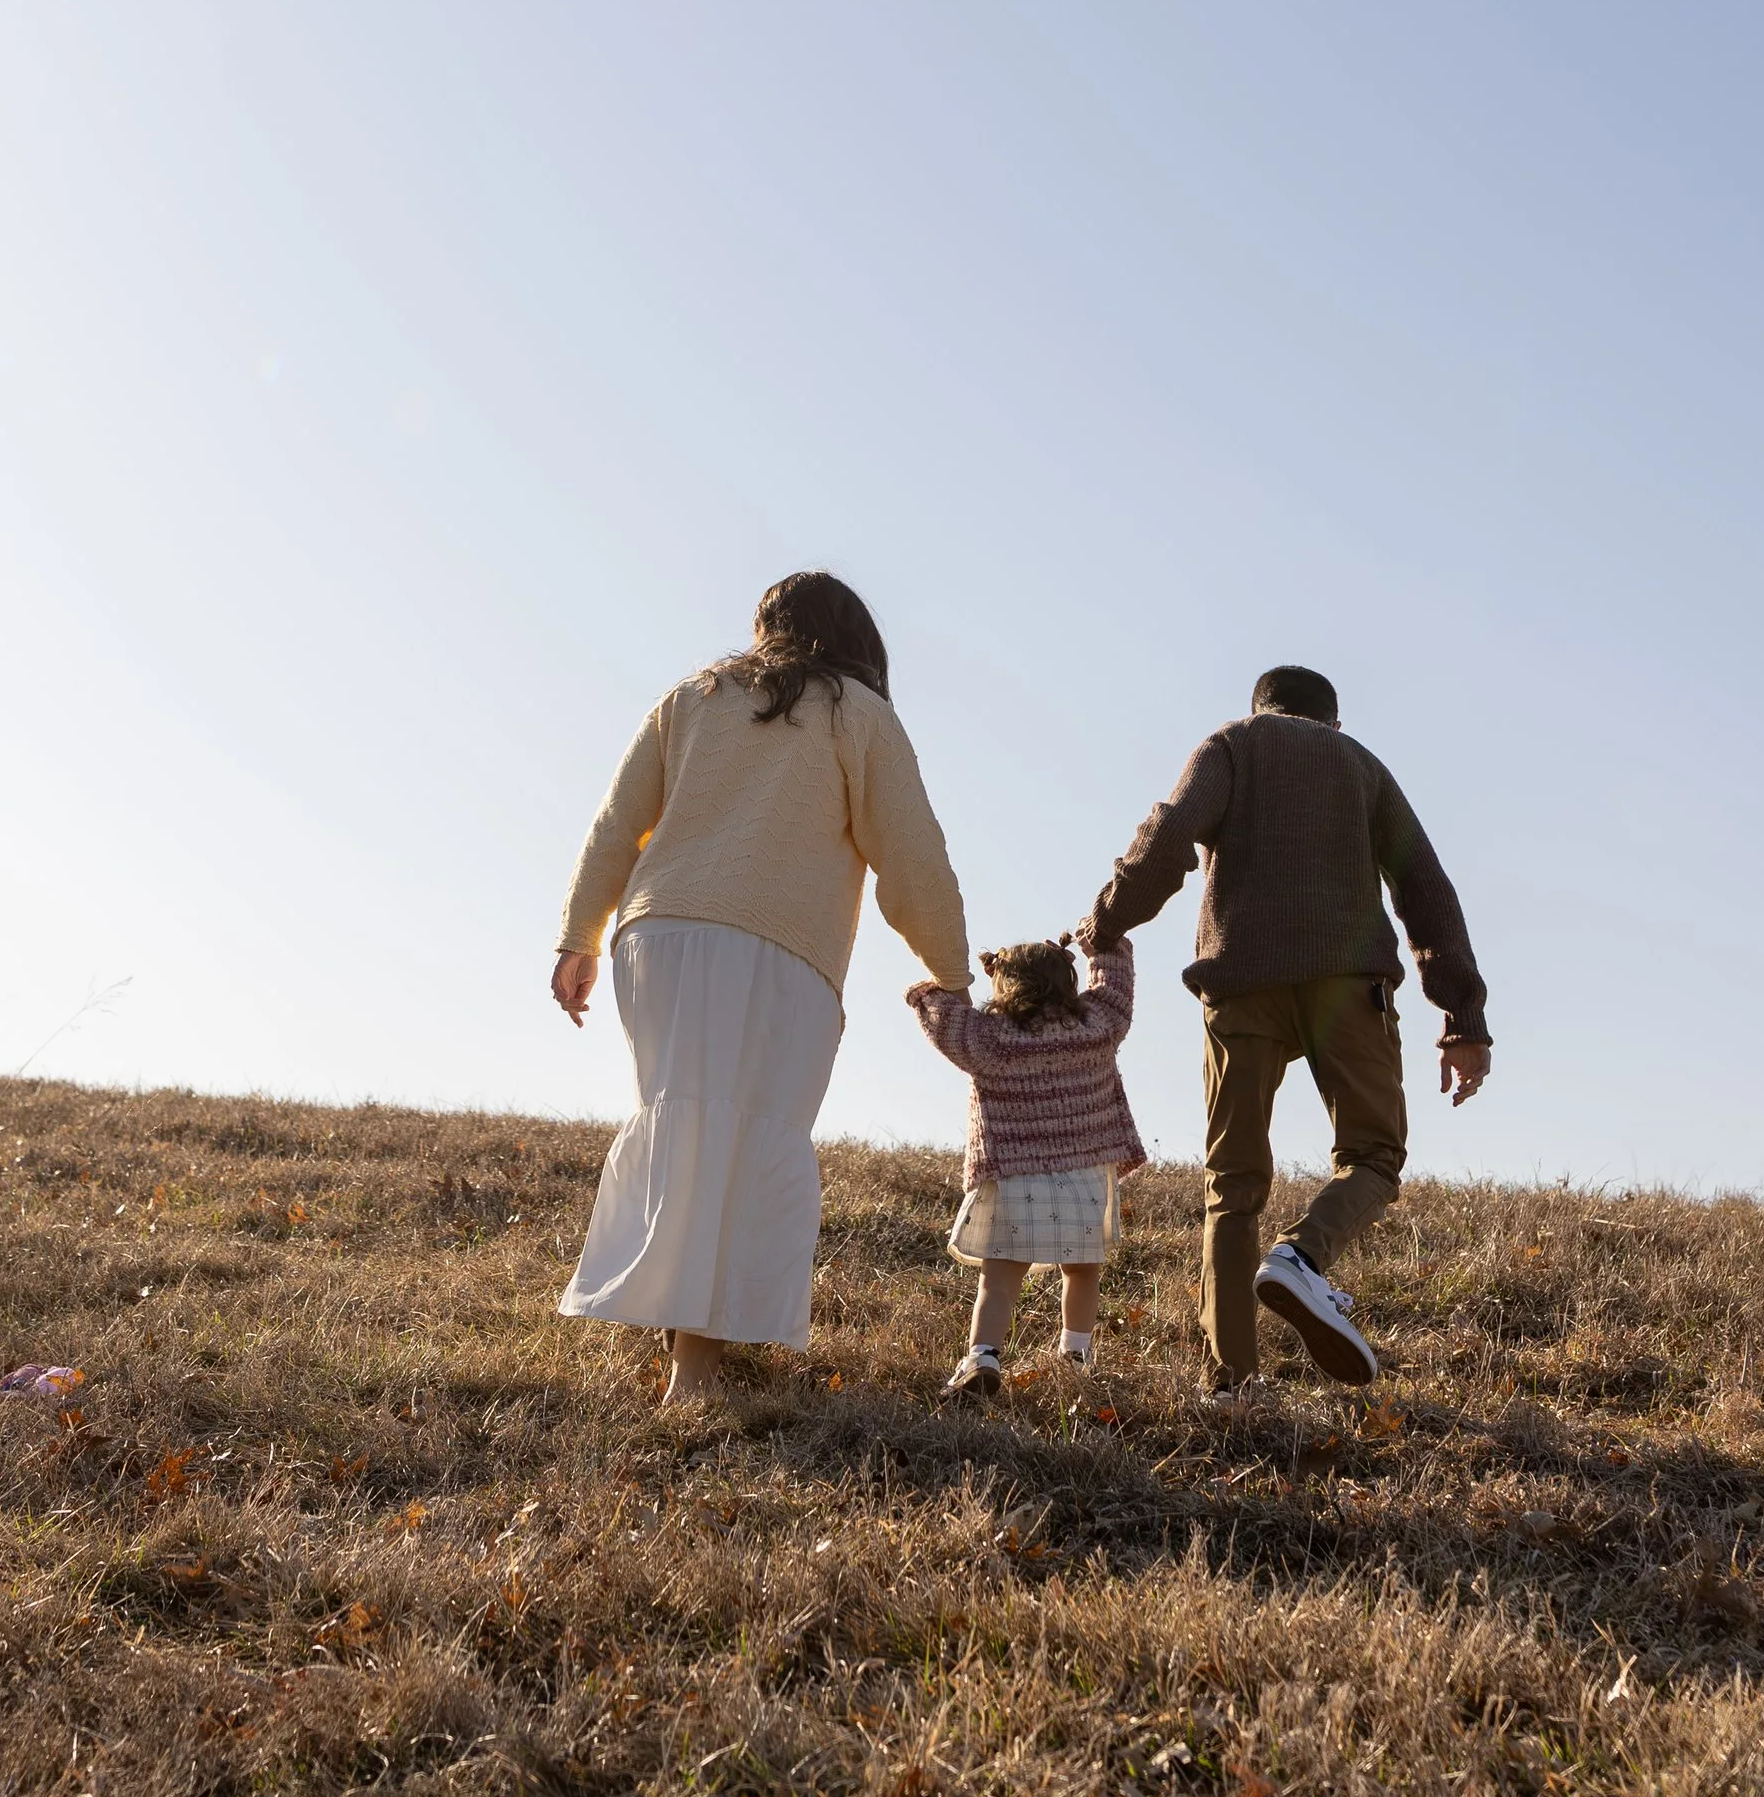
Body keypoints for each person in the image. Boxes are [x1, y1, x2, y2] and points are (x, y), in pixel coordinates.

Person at [553, 572, 969, 1403]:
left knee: (687, 1125)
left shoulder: (692, 698)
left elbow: (615, 824)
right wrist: (953, 972)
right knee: (743, 1137)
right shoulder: (859, 713)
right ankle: (693, 1372)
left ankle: (687, 1346)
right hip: (780, 949)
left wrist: (579, 936)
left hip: (659, 936)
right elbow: (911, 855)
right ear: (857, 639)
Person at [1083, 666, 1489, 1392]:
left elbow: (1168, 836)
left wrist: (1107, 919)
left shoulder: (1232, 745)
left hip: (1241, 986)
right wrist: (1463, 1018)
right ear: (1333, 723)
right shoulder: (1362, 765)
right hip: (1345, 984)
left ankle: (1231, 1384)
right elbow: (1425, 888)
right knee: (1371, 1155)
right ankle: (1301, 1259)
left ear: (1259, 710)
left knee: (1232, 1186)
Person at [906, 932, 1146, 1400]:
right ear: (1066, 981)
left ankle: (983, 1356)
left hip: (1018, 1178)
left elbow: (947, 1023)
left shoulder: (990, 1040)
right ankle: (1076, 1356)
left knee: (998, 1282)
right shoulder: (1096, 1027)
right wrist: (1102, 945)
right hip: (1086, 1176)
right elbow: (1116, 992)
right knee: (1081, 1272)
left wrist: (931, 988)